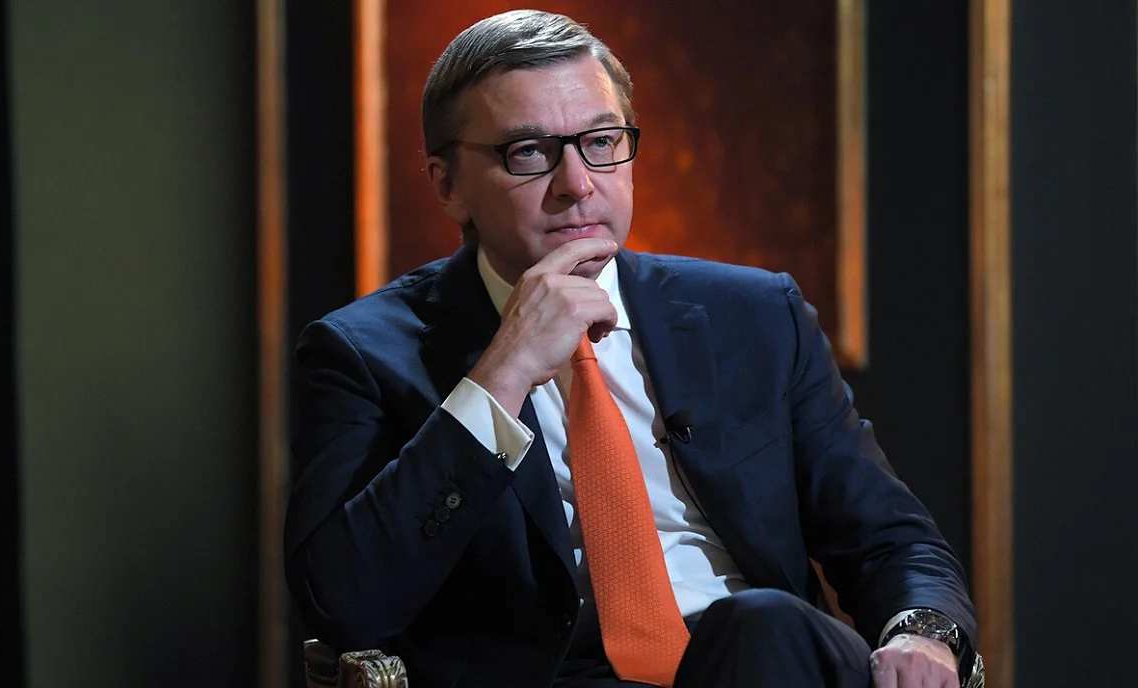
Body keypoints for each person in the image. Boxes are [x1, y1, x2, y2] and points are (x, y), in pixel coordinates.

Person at [284, 10, 981, 688]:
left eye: (601, 141)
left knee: (762, 625)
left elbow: (889, 538)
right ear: (448, 185)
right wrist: (505, 371)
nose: (577, 184)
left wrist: (921, 631)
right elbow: (344, 603)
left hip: (772, 659)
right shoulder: (364, 355)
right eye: (529, 153)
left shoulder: (756, 316)